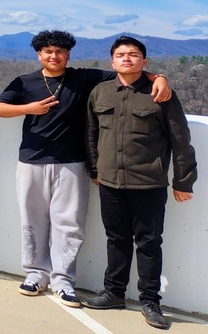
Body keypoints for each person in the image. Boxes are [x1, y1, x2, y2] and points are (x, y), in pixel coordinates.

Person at [0, 30, 170, 307]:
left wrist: (160, 77)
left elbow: (126, 72)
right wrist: (30, 108)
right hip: (31, 160)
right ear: (39, 54)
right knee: (32, 220)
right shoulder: (24, 81)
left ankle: (63, 280)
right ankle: (36, 274)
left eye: (60, 51)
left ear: (68, 54)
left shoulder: (83, 77)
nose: (54, 56)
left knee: (69, 224)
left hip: (73, 162)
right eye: (48, 51)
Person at [82, 36, 197, 330]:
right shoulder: (100, 92)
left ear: (144, 62)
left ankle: (149, 301)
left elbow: (180, 140)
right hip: (109, 182)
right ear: (112, 61)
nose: (127, 59)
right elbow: (92, 134)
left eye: (133, 55)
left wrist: (183, 181)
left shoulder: (161, 94)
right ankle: (114, 293)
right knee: (116, 240)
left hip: (148, 183)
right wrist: (95, 168)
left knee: (148, 244)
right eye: (121, 55)